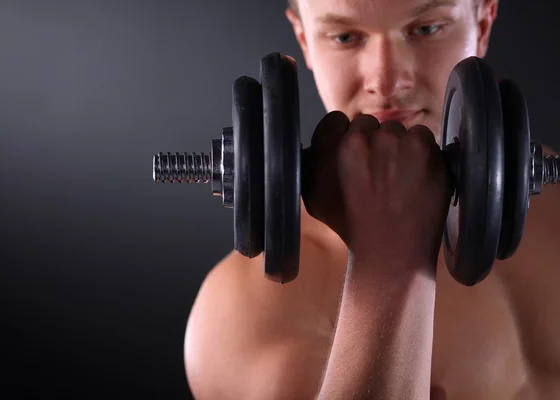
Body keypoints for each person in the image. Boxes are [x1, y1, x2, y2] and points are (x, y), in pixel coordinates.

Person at [184, 0, 560, 398]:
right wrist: (389, 259)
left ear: (482, 24)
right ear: (306, 43)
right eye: (345, 37)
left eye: (427, 28)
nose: (386, 80)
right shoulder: (241, 314)